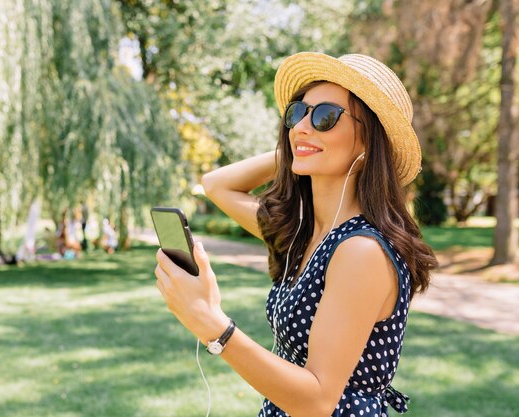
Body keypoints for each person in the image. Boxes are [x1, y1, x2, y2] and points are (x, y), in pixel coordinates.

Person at [153, 52, 438, 417]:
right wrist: (303, 143)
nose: (301, 125)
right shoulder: (302, 234)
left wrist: (212, 325)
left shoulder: (361, 250)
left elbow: (318, 400)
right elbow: (216, 185)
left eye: (325, 116)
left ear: (369, 142)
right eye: (296, 113)